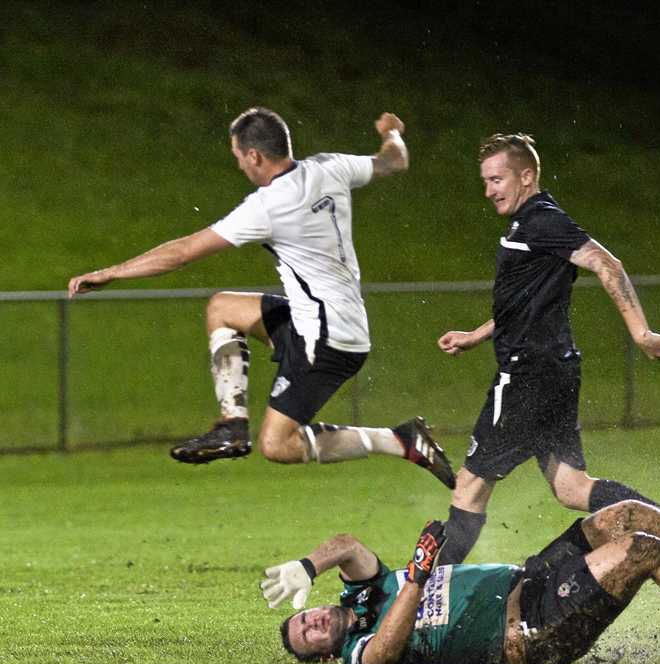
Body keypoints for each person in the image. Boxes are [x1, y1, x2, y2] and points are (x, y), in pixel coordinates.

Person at [66, 107, 452, 486]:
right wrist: (391, 132)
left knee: (277, 445)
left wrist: (111, 272)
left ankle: (400, 440)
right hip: (327, 322)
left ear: (254, 155)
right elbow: (393, 162)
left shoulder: (269, 205)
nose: (239, 167)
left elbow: (182, 253)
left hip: (327, 340)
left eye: (238, 157)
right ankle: (232, 425)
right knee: (223, 307)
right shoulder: (329, 167)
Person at [432, 133, 660, 564]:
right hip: (553, 370)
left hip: (527, 373)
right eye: (486, 181)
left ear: (526, 176)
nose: (489, 190)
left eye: (497, 179)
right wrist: (476, 335)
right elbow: (524, 302)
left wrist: (641, 333)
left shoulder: (542, 220)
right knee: (572, 487)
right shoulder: (528, 225)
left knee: (469, 488)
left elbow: (607, 264)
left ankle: (427, 600)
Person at [268, 502, 660, 664]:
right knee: (640, 549)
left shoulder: (359, 595)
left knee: (624, 515)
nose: (313, 622)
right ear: (321, 656)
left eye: (305, 616)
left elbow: (347, 545)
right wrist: (416, 574)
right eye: (309, 635)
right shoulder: (357, 651)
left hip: (531, 576)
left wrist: (307, 565)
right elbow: (386, 651)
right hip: (530, 630)